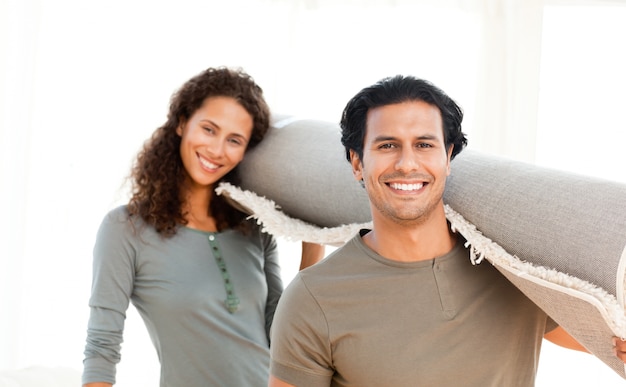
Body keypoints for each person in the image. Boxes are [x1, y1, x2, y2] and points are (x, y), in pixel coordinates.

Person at [268, 75, 626, 386]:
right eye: (387, 145)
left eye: (424, 145)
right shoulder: (313, 298)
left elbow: (598, 338)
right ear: (357, 162)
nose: (407, 163)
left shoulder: (512, 268)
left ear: (448, 156)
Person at [81, 67, 324, 387]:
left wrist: (313, 240)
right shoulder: (126, 228)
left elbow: (281, 332)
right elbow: (102, 346)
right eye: (209, 129)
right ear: (182, 123)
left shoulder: (253, 229)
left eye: (234, 140)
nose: (217, 150)